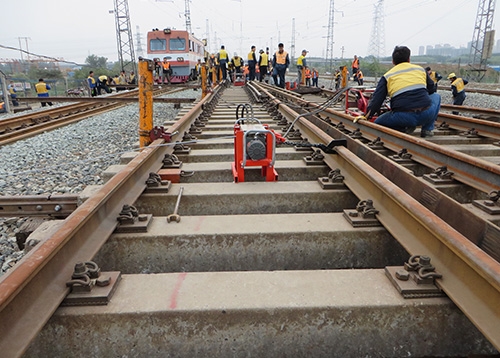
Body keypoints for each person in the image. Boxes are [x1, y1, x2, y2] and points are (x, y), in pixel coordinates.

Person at [354, 46, 441, 138]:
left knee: (377, 123)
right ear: (409, 59)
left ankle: (403, 128)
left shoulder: (387, 76)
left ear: (393, 61)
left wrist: (367, 116)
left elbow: (377, 101)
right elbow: (431, 89)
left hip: (403, 118)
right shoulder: (420, 70)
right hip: (426, 115)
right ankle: (427, 129)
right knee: (436, 96)